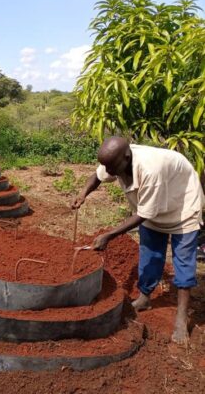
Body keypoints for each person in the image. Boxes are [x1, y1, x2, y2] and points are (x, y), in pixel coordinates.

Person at [72, 137, 204, 345]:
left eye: (111, 166)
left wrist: (110, 235)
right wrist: (83, 194)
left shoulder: (151, 170)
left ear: (126, 157)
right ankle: (144, 298)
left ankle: (181, 317)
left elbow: (144, 214)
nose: (108, 170)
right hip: (151, 210)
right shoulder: (115, 161)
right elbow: (97, 177)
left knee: (183, 261)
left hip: (181, 205)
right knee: (150, 253)